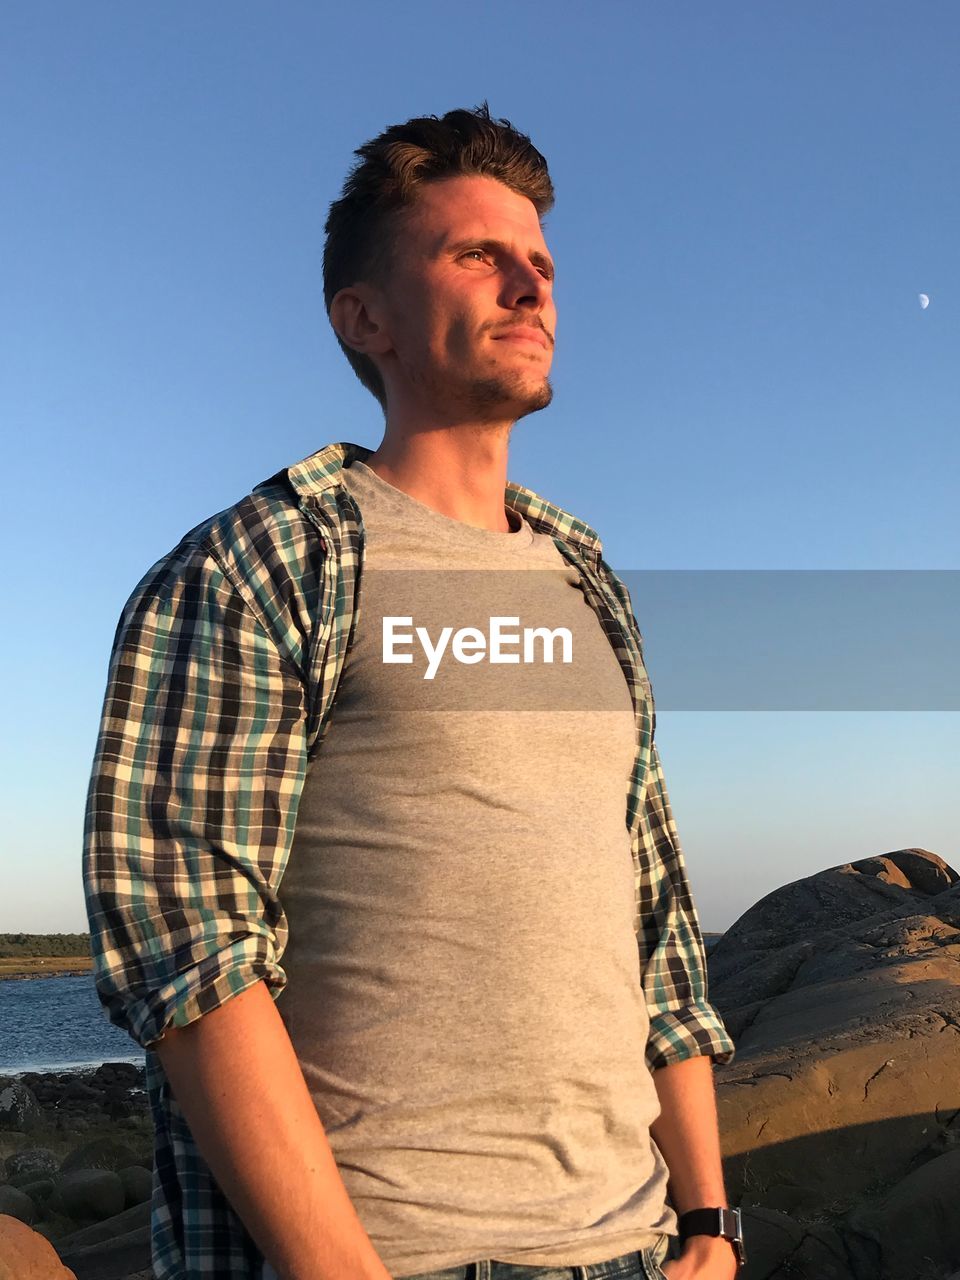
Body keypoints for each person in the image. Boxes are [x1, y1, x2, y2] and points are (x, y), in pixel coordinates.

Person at [83, 104, 741, 1280]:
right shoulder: (263, 563)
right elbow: (186, 943)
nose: (530, 286)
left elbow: (659, 924)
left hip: (641, 1247)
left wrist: (709, 1221)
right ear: (364, 316)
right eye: (478, 254)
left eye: (540, 262)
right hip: (401, 1255)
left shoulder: (588, 581)